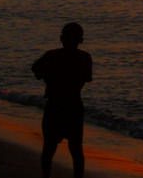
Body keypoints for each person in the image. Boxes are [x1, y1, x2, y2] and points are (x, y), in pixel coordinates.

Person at [32, 22, 93, 178]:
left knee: (49, 149)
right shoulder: (85, 58)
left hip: (55, 106)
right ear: (80, 40)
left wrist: (48, 77)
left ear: (61, 38)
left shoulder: (51, 55)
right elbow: (86, 78)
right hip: (73, 107)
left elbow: (36, 69)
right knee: (76, 150)